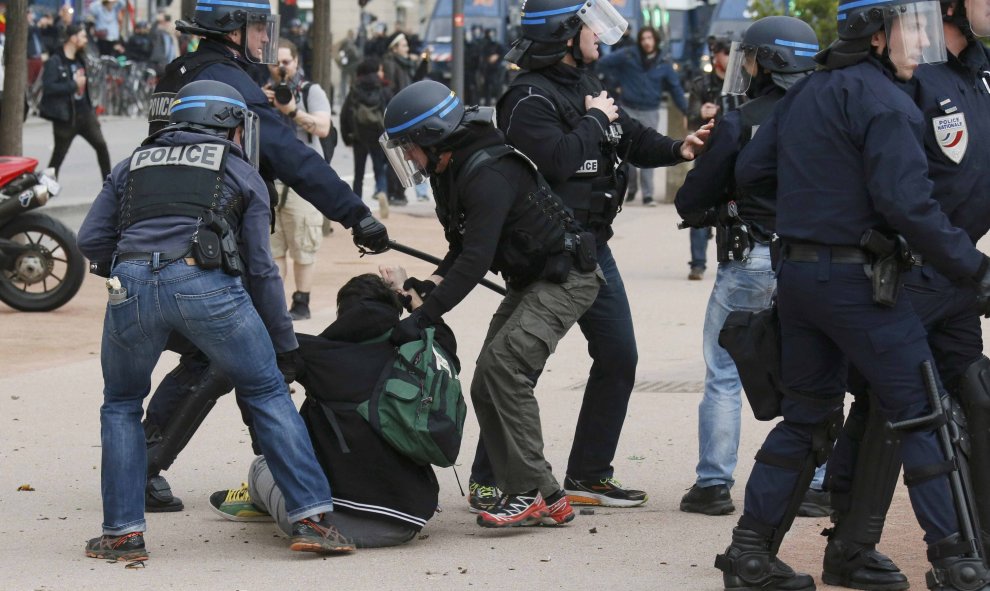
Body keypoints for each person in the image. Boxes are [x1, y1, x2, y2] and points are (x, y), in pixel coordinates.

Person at [715, 0, 990, 588]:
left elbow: (752, 173)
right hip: (864, 287)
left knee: (806, 422)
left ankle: (749, 557)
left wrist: (813, 218)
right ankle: (957, 565)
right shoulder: (888, 104)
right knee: (923, 416)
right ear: (875, 34)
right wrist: (975, 269)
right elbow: (909, 207)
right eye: (910, 32)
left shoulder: (810, 91)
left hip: (799, 281)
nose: (921, 45)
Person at [76, 80, 360, 561]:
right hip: (207, 287)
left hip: (129, 286)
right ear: (227, 127)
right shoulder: (240, 171)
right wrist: (283, 341)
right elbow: (262, 269)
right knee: (267, 390)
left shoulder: (130, 165)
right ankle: (312, 520)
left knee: (121, 404)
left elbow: (90, 240)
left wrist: (132, 272)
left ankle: (122, 534)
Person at [137, 0, 389, 512]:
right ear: (231, 29)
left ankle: (258, 467)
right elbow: (291, 155)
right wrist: (355, 212)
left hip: (165, 235)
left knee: (221, 357)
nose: (264, 39)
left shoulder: (179, 72)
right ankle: (152, 465)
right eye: (257, 27)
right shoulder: (230, 85)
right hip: (215, 241)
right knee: (233, 358)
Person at [470, 0, 710, 512]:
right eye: (589, 27)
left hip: (593, 247)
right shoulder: (526, 97)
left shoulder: (584, 85)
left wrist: (678, 149)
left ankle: (589, 474)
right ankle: (488, 477)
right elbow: (556, 160)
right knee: (517, 365)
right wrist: (595, 120)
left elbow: (628, 136)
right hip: (547, 252)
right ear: (563, 35)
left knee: (620, 356)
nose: (599, 36)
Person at [818, 0, 990, 588]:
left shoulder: (980, 73)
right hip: (908, 272)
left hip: (960, 274)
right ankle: (851, 546)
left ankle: (979, 544)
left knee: (976, 397)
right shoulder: (910, 76)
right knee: (894, 410)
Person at [380, 79, 603, 527]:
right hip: (531, 279)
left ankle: (526, 493)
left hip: (568, 279)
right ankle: (545, 495)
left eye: (409, 147)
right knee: (486, 380)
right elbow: (462, 250)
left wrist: (427, 313)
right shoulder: (453, 170)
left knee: (505, 369)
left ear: (431, 136)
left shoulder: (487, 172)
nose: (407, 157)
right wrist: (428, 285)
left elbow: (478, 260)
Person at [674, 16, 829, 518]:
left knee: (724, 371)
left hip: (751, 256)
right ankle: (817, 481)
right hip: (817, 259)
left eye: (751, 56)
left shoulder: (741, 120)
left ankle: (714, 484)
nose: (745, 65)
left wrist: (716, 206)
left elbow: (693, 197)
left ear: (768, 61)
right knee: (817, 370)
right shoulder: (832, 114)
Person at [209, 270, 453, 547]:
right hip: (408, 521)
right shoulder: (421, 354)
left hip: (330, 526)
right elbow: (441, 333)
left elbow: (253, 352)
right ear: (395, 309)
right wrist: (407, 293)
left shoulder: (314, 353)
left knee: (263, 466)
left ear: (342, 313)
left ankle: (262, 500)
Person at [263, 39, 333, 321]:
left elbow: (324, 128)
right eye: (276, 63)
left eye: (286, 62)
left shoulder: (310, 91)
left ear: (296, 62)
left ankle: (301, 301)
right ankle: (277, 306)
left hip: (303, 180)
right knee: (273, 247)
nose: (281, 68)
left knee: (303, 244)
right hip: (271, 179)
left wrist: (291, 110)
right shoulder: (263, 92)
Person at [599, 26, 689, 208]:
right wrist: (613, 83)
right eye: (643, 38)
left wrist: (688, 112)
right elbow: (602, 63)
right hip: (629, 108)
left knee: (649, 148)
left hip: (650, 109)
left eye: (650, 38)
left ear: (655, 40)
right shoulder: (628, 55)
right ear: (639, 41)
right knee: (628, 152)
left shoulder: (664, 61)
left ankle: (648, 195)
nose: (647, 42)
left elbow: (675, 88)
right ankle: (631, 189)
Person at [683, 36, 732, 281]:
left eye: (720, 54)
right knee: (698, 204)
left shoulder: (742, 82)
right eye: (714, 54)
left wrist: (722, 112)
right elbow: (690, 113)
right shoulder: (702, 83)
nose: (717, 60)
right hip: (707, 150)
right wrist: (700, 112)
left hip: (734, 151)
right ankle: (698, 263)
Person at [39, 24, 111, 182]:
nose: (85, 40)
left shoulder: (80, 59)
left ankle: (109, 187)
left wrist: (92, 110)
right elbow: (49, 87)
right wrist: (73, 85)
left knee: (101, 147)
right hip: (66, 118)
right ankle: (44, 190)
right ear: (73, 38)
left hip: (85, 115)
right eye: (83, 36)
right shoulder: (55, 61)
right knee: (58, 157)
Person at [381, 33, 432, 205]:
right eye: (403, 45)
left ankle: (400, 192)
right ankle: (393, 192)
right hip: (397, 112)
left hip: (407, 112)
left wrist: (424, 62)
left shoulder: (405, 63)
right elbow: (390, 88)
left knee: (408, 151)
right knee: (397, 153)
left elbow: (416, 80)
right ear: (395, 48)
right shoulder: (390, 63)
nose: (407, 49)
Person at [340, 57, 391, 206]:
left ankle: (357, 203)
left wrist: (347, 137)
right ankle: (381, 191)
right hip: (378, 134)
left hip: (359, 136)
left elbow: (345, 114)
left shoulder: (355, 88)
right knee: (379, 168)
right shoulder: (383, 88)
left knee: (359, 173)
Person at [335, 30, 361, 104]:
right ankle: (350, 96)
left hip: (346, 66)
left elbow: (340, 52)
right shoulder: (353, 43)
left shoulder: (346, 42)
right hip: (352, 66)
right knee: (351, 82)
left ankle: (343, 97)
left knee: (344, 81)